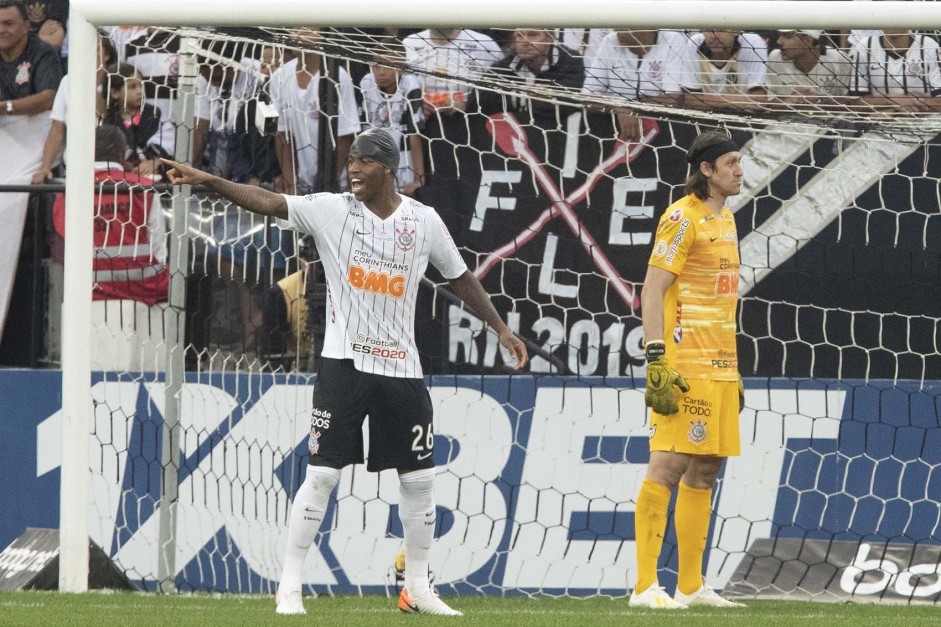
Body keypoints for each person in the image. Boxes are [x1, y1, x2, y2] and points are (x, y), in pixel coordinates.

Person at [161, 127, 528, 616]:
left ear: (388, 168)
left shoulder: (423, 222)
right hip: (344, 363)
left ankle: (417, 588)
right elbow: (268, 202)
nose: (352, 168)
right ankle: (289, 586)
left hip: (401, 368)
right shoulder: (332, 210)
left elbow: (459, 277)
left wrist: (501, 328)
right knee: (323, 476)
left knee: (419, 481)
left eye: (363, 161)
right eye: (350, 159)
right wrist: (207, 178)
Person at [630, 130, 746, 610]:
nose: (740, 171)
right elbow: (652, 289)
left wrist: (734, 371)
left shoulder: (728, 220)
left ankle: (692, 586)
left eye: (740, 163)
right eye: (732, 163)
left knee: (706, 469)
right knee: (670, 464)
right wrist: (656, 359)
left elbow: (722, 302)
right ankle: (643, 587)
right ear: (707, 170)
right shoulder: (681, 218)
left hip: (720, 362)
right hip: (684, 363)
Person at [52, 124, 169, 370]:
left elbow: (62, 247)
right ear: (122, 154)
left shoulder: (68, 191)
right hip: (142, 289)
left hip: (86, 290)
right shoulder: (144, 188)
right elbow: (159, 250)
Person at [0, 0, 62, 343]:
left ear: (26, 26)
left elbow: (49, 99)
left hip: (35, 146)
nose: (2, 31)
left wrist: (6, 107)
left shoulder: (42, 55)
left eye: (9, 23)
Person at [581, 29, 697, 142]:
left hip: (661, 126)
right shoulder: (610, 41)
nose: (617, 29)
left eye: (625, 24)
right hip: (612, 124)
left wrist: (632, 107)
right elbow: (587, 96)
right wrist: (619, 108)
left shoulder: (673, 40)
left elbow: (673, 98)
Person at [359, 52, 425, 195]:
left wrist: (418, 178)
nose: (381, 72)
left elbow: (415, 134)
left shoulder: (410, 84)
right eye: (376, 66)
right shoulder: (366, 83)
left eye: (388, 66)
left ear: (401, 68)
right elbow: (360, 130)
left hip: (403, 166)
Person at [847, 25, 941, 112]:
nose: (893, 21)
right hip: (879, 122)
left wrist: (895, 110)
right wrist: (890, 99)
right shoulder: (865, 47)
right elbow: (855, 103)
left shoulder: (929, 46)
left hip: (926, 122)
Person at [765, 29, 852, 102]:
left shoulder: (839, 60)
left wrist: (818, 99)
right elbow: (769, 101)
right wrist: (787, 100)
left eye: (787, 36)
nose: (779, 41)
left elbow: (851, 103)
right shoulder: (775, 58)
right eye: (780, 35)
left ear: (808, 40)